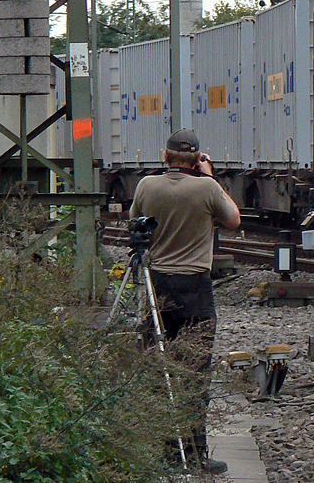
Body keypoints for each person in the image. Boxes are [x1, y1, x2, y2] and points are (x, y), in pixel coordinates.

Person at [129, 127, 240, 474]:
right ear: (197, 160)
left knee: (159, 369)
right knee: (195, 372)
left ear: (165, 157)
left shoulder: (147, 185)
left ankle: (163, 451)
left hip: (156, 287)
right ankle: (195, 453)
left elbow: (134, 222)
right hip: (194, 288)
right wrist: (210, 177)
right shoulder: (206, 188)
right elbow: (233, 219)